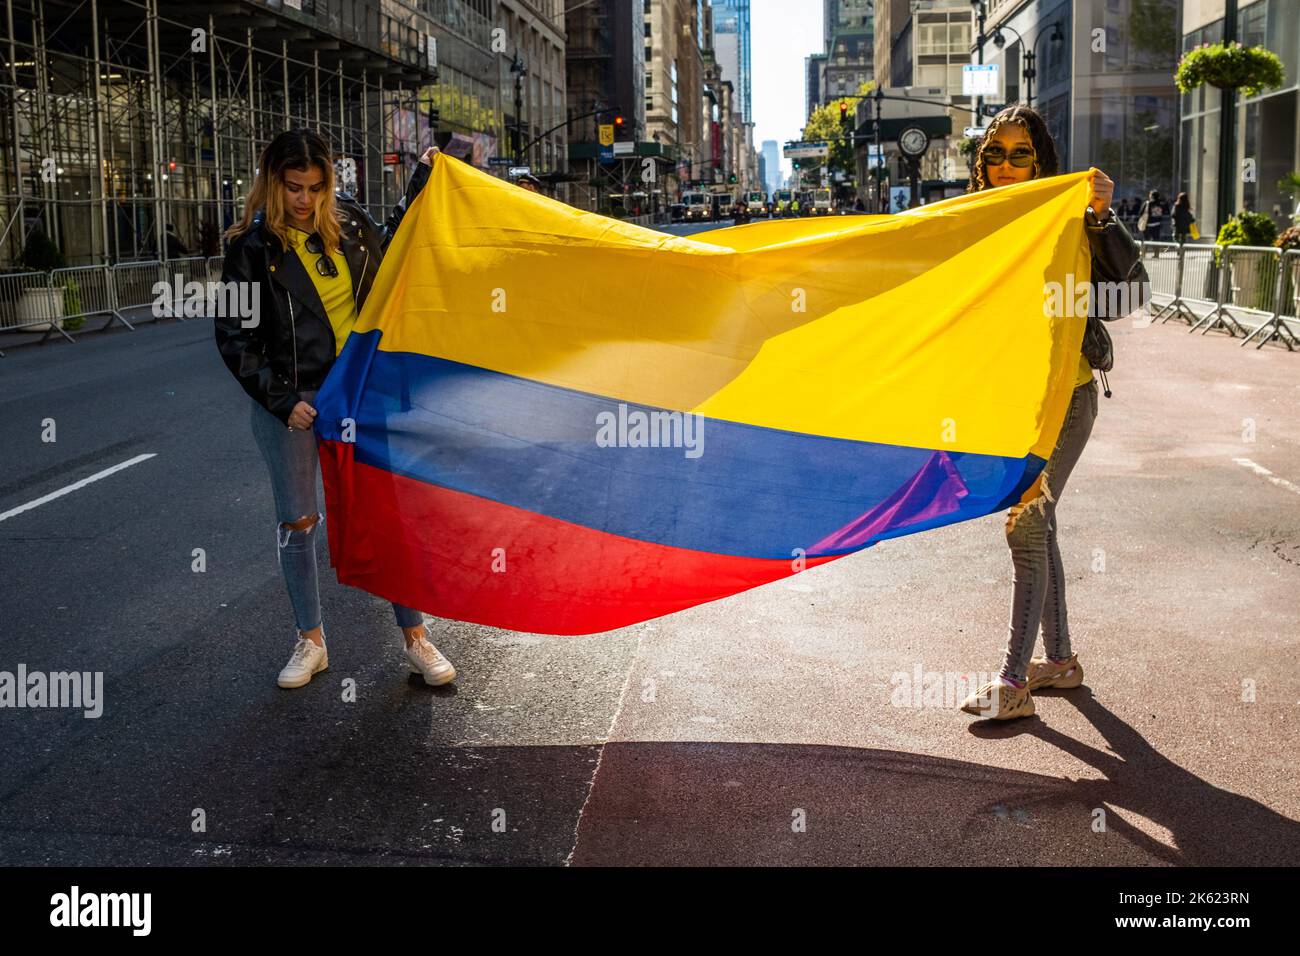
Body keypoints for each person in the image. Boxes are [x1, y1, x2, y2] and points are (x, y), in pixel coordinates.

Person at [214, 129, 457, 690]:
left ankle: (417, 637)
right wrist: (282, 401)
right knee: (298, 521)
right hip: (293, 404)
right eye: (294, 187)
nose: (305, 199)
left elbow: (396, 247)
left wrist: (421, 181)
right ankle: (311, 642)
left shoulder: (348, 224)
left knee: (387, 516)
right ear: (273, 184)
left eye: (316, 187)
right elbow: (235, 337)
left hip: (361, 395)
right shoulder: (250, 250)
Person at [957, 104, 1147, 720]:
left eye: (1021, 154)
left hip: (1066, 396)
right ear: (981, 162)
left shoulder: (1069, 218)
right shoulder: (973, 222)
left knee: (1028, 525)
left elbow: (1129, 293)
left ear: (1040, 162)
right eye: (995, 152)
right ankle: (1060, 662)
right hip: (1016, 399)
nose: (1006, 165)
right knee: (1042, 523)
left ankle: (1013, 684)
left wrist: (1099, 217)